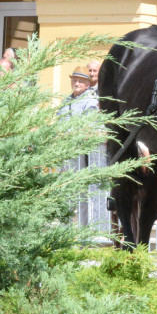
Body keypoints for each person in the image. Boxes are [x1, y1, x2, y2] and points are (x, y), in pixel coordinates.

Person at [58, 66, 107, 232]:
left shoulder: (91, 101)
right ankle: (63, 232)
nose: (76, 83)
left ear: (87, 84)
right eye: (74, 80)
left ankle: (85, 233)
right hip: (65, 154)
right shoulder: (66, 101)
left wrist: (68, 135)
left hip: (83, 155)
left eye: (80, 80)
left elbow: (89, 127)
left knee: (82, 196)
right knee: (65, 195)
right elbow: (59, 122)